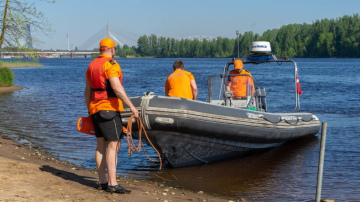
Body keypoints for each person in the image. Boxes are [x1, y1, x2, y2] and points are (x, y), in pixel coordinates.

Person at [84, 37, 139, 194]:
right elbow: (117, 88)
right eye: (114, 48)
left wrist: (90, 110)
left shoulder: (92, 65)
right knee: (114, 145)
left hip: (95, 109)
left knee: (101, 145)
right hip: (109, 109)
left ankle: (102, 181)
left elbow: (87, 92)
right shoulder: (111, 64)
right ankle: (113, 184)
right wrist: (131, 106)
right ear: (112, 49)